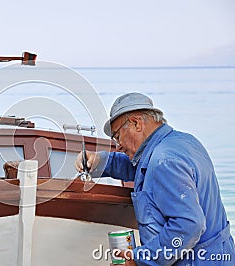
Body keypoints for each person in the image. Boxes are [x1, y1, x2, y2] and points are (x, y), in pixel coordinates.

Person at [75, 92, 235, 265]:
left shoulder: (164, 162)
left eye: (117, 136)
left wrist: (141, 259)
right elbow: (142, 168)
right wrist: (100, 161)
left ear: (136, 123)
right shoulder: (184, 142)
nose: (118, 146)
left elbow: (188, 226)